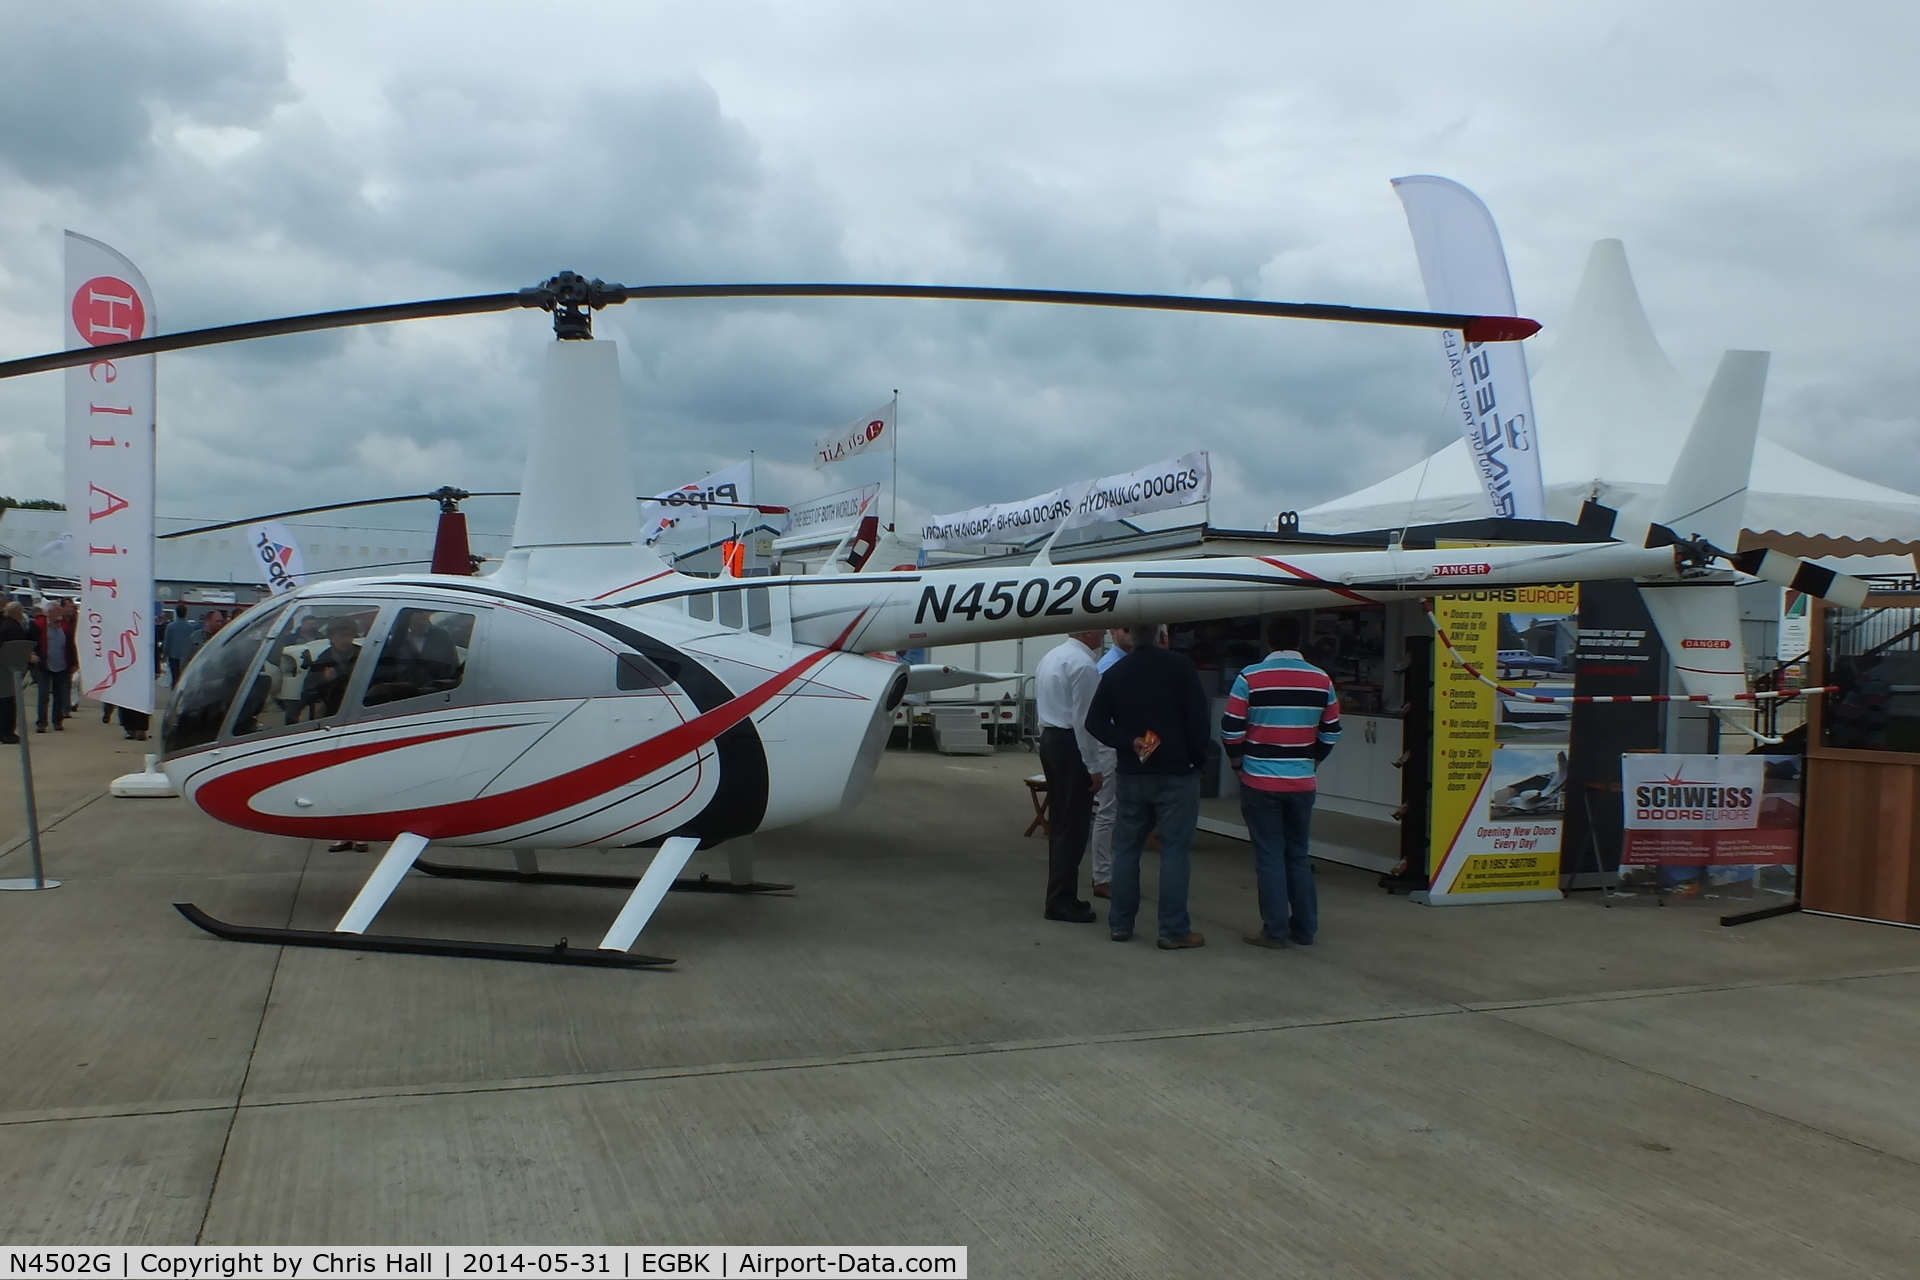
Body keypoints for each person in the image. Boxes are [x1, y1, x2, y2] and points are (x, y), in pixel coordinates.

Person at [1086, 623, 1211, 949]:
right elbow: (1198, 719)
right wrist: (1198, 761)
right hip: (1177, 773)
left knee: (1126, 850)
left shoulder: (1116, 672)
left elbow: (1094, 722)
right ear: (1163, 637)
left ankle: (1121, 923)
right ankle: (1173, 930)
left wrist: (1129, 742)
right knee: (1174, 853)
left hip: (1132, 773)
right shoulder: (1181, 667)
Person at [1220, 615, 1342, 949]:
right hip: (1302, 782)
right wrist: (1311, 759)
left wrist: (1238, 766)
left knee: (1269, 855)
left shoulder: (1249, 677)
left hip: (1259, 781)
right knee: (1298, 855)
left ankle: (1273, 930)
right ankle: (1304, 929)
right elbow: (1332, 731)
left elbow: (1231, 729)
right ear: (1299, 642)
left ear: (1269, 642)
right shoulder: (1322, 680)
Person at [1033, 630, 1113, 922]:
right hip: (1070, 743)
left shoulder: (1051, 657)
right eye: (1100, 629)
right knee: (1074, 826)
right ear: (1088, 632)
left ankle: (1061, 894)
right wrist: (1093, 767)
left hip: (1051, 738)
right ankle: (1060, 900)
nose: (1104, 634)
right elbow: (1084, 721)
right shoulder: (1083, 665)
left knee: (1061, 822)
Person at [31, 601, 79, 732]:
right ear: (49, 613)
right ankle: (41, 723)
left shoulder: (65, 626)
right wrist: (32, 654)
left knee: (59, 694)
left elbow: (71, 645)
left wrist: (74, 663)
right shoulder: (38, 625)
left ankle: (57, 721)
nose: (60, 613)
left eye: (60, 610)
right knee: (44, 693)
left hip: (62, 664)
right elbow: (30, 641)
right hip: (43, 664)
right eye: (57, 611)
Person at [300, 619, 363, 720]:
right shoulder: (323, 660)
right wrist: (324, 679)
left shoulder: (363, 654)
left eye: (349, 635)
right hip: (333, 713)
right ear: (331, 637)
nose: (346, 640)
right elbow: (307, 693)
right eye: (341, 636)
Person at [0, 601, 29, 743]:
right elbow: (16, 648)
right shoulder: (12, 627)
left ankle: (6, 730)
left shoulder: (6, 625)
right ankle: (6, 732)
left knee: (6, 700)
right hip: (8, 669)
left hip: (5, 667)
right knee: (8, 701)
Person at [162, 605, 198, 685]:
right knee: (183, 677)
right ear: (186, 613)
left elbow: (168, 641)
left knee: (175, 677)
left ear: (177, 613)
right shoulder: (191, 627)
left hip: (173, 655)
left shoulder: (170, 626)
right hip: (186, 656)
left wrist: (165, 655)